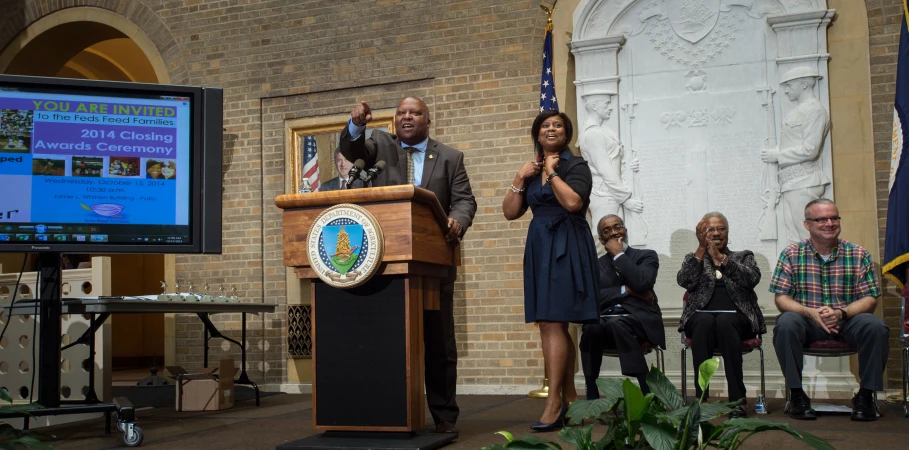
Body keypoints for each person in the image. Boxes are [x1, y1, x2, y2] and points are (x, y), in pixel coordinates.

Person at [340, 97, 477, 434]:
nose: (407, 117)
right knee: (387, 339)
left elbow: (464, 201)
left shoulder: (449, 157)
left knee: (439, 342)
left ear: (428, 120)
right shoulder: (381, 147)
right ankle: (389, 411)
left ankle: (444, 415)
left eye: (415, 112)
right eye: (401, 112)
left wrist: (458, 221)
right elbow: (352, 146)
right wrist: (356, 124)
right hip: (386, 263)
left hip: (434, 263)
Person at [503, 110, 598, 431]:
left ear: (566, 133)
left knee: (552, 321)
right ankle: (569, 396)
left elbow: (573, 204)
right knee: (550, 321)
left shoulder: (576, 165)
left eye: (557, 124)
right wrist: (519, 179)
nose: (551, 128)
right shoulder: (532, 170)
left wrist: (554, 173)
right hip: (540, 245)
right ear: (537, 134)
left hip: (567, 245)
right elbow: (510, 212)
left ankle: (554, 401)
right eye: (545, 125)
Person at [769, 198, 888, 421]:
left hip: (847, 320)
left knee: (875, 326)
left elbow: (870, 299)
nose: (830, 223)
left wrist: (841, 313)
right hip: (807, 322)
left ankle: (865, 396)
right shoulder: (791, 254)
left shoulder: (858, 253)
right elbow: (781, 298)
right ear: (808, 224)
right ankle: (796, 395)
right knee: (785, 323)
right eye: (822, 219)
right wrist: (809, 312)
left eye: (834, 218)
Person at [677, 212, 764, 418]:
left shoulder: (744, 256)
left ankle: (737, 400)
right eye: (710, 229)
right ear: (702, 233)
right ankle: (701, 399)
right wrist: (701, 250)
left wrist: (721, 258)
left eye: (721, 228)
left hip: (738, 318)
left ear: (727, 231)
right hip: (700, 318)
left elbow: (751, 279)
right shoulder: (694, 258)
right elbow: (684, 280)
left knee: (725, 320)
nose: (716, 233)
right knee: (704, 321)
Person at [578, 214, 662, 399]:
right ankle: (591, 390)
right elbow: (593, 299)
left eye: (618, 226)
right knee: (592, 327)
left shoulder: (646, 256)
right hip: (605, 323)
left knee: (620, 324)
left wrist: (619, 255)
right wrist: (627, 290)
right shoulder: (595, 266)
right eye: (606, 230)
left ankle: (646, 389)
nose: (614, 232)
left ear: (625, 230)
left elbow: (642, 283)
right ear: (601, 239)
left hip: (639, 322)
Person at [760, 66, 831, 243]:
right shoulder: (800, 110)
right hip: (792, 183)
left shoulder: (814, 110)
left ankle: (815, 271)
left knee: (807, 236)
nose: (787, 90)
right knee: (795, 238)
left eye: (790, 85)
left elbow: (811, 149)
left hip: (804, 181)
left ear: (805, 84)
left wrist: (779, 156)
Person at [578, 92, 642, 248]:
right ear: (594, 106)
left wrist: (628, 166)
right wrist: (625, 198)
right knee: (603, 238)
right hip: (604, 194)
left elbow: (615, 161)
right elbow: (605, 169)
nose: (610, 108)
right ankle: (599, 272)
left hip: (611, 192)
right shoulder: (592, 134)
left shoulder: (603, 131)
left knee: (618, 239)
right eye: (606, 104)